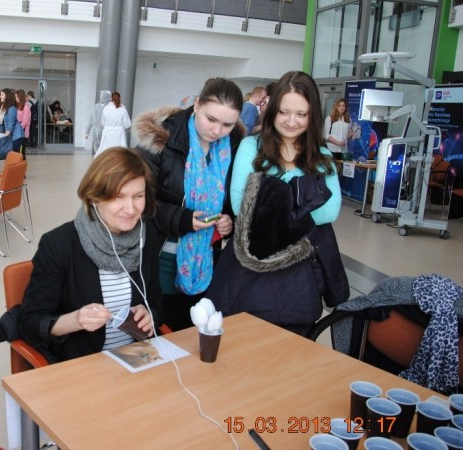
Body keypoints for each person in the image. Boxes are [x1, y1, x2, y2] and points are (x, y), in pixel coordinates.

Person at [207, 71, 349, 336]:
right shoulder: (252, 147)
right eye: (284, 112)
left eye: (301, 114)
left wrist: (272, 197)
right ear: (272, 110)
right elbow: (241, 207)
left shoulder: (322, 155)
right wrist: (304, 196)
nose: (292, 121)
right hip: (249, 273)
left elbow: (331, 210)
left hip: (300, 283)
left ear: (312, 116)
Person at [19, 147, 163, 363]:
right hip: (83, 364)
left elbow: (156, 303)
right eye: (118, 197)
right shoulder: (59, 245)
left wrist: (149, 315)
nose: (131, 209)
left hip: (135, 359)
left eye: (138, 196)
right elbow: (30, 322)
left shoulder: (146, 236)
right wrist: (76, 320)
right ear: (94, 197)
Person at [134, 77, 246, 331]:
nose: (217, 131)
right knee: (160, 333)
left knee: (193, 334)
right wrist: (182, 219)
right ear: (197, 104)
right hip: (160, 258)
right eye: (211, 119)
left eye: (227, 124)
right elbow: (138, 202)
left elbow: (236, 200)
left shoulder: (234, 147)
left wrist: (229, 220)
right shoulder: (161, 140)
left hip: (207, 260)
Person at [95, 91, 131, 158]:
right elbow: (127, 124)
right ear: (119, 98)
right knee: (119, 151)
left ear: (111, 98)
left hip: (107, 132)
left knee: (106, 148)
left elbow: (103, 122)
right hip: (119, 133)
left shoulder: (106, 109)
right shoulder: (123, 110)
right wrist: (120, 126)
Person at [85, 90, 111, 155]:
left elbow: (90, 120)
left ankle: (98, 159)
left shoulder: (95, 106)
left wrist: (87, 132)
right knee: (105, 150)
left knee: (97, 150)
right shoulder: (110, 108)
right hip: (106, 131)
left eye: (101, 95)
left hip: (96, 132)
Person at [0, 88, 18, 157]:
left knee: (12, 156)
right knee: (7, 155)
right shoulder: (3, 107)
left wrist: (5, 135)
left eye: (2, 95)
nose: (0, 96)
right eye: (0, 95)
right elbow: (0, 121)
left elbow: (10, 123)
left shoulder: (11, 108)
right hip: (6, 133)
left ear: (7, 96)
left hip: (14, 135)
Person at [15, 89, 31, 158]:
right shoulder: (17, 106)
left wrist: (18, 128)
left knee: (21, 151)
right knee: (17, 150)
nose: (16, 98)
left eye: (17, 97)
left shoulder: (26, 107)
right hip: (18, 130)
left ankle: (22, 163)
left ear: (20, 97)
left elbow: (25, 121)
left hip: (22, 130)